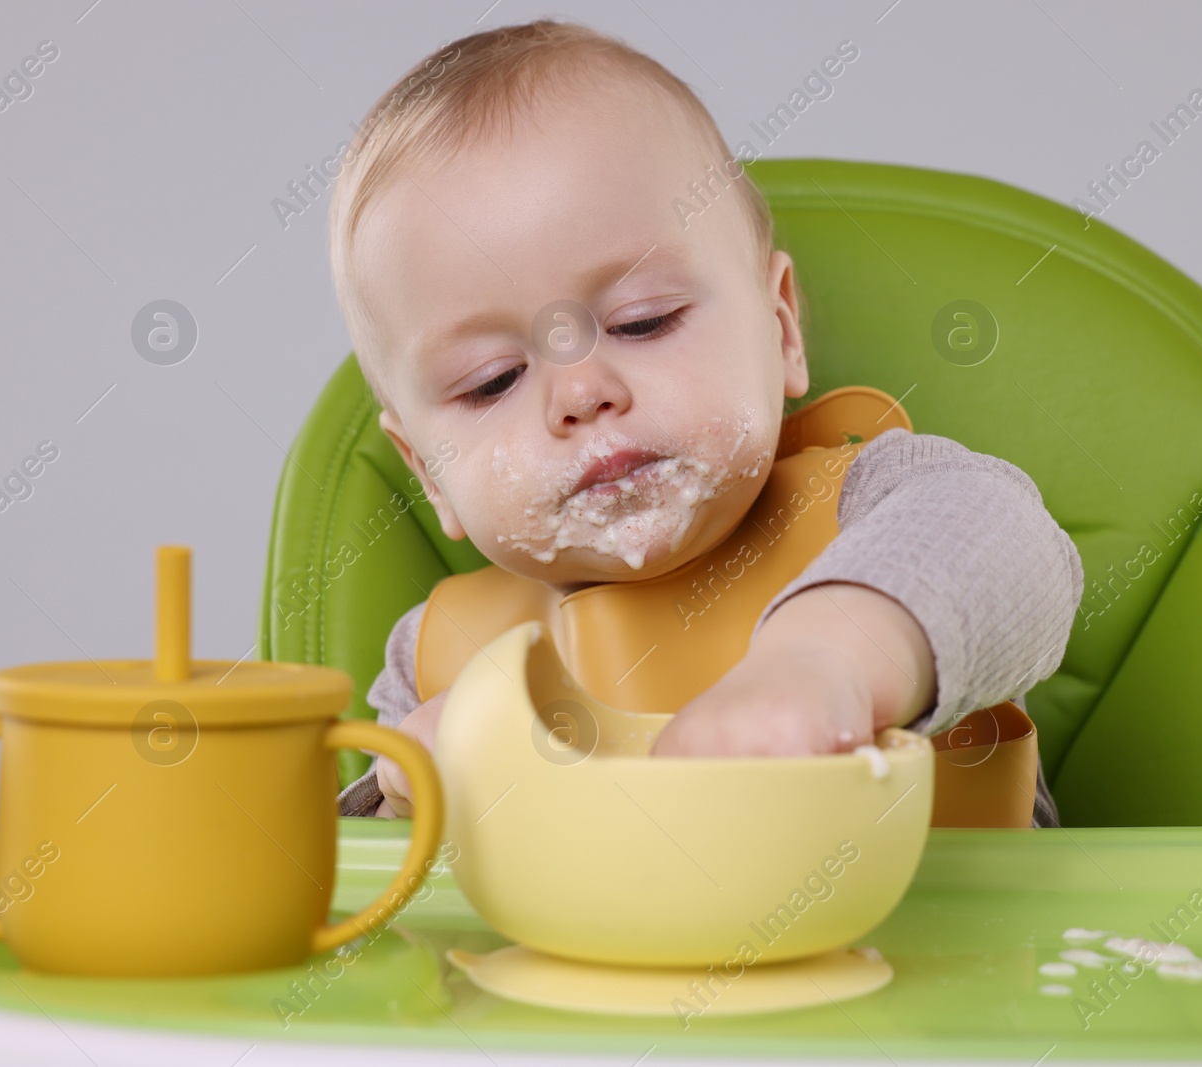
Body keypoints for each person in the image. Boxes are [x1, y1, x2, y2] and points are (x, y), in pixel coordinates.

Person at [323, 18, 1082, 825]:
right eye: (493, 381)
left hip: (969, 949)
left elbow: (1012, 551)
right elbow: (381, 912)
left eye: (643, 321)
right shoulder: (438, 659)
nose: (580, 392)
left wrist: (831, 655)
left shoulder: (886, 501)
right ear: (428, 471)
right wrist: (410, 797)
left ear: (782, 330)